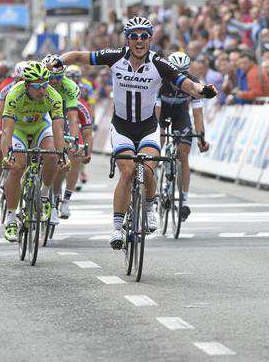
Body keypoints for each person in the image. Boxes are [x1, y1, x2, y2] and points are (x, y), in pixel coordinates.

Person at [52, 16, 218, 249]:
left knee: (149, 169)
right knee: (127, 171)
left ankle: (150, 207)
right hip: (121, 126)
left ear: (150, 39)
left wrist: (202, 90)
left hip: (149, 126)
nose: (139, 41)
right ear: (128, 39)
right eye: (134, 36)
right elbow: (79, 56)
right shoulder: (115, 56)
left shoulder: (159, 63)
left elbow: (186, 84)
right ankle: (117, 228)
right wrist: (60, 61)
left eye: (144, 36)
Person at [0, 61, 68, 242]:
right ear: (27, 84)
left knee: (52, 156)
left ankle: (45, 196)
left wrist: (62, 155)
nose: (42, 90)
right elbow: (7, 131)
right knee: (17, 167)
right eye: (37, 86)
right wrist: (7, 156)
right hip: (19, 129)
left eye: (45, 84)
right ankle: (12, 218)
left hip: (40, 127)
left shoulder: (53, 96)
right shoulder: (15, 94)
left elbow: (58, 130)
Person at [155, 51, 209, 221]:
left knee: (183, 153)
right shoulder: (159, 82)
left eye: (183, 73)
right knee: (157, 146)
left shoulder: (193, 82)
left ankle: (184, 200)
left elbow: (198, 113)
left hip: (180, 114)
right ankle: (155, 188)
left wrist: (201, 137)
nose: (179, 77)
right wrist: (157, 133)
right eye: (176, 73)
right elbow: (156, 115)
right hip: (161, 113)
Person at [41, 55, 82, 225]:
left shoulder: (69, 87)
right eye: (51, 78)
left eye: (59, 77)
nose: (55, 81)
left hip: (61, 114)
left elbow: (72, 118)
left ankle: (55, 200)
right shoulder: (39, 85)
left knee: (63, 154)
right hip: (42, 113)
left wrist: (73, 140)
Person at [0, 61, 27, 207]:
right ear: (15, 78)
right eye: (20, 80)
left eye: (26, 80)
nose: (23, 83)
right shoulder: (5, 87)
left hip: (28, 123)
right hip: (9, 120)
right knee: (0, 151)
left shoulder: (37, 88)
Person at [59, 97, 94, 219]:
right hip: (50, 127)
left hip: (71, 130)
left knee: (76, 157)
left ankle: (66, 201)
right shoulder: (46, 99)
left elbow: (88, 132)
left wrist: (87, 151)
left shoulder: (80, 104)